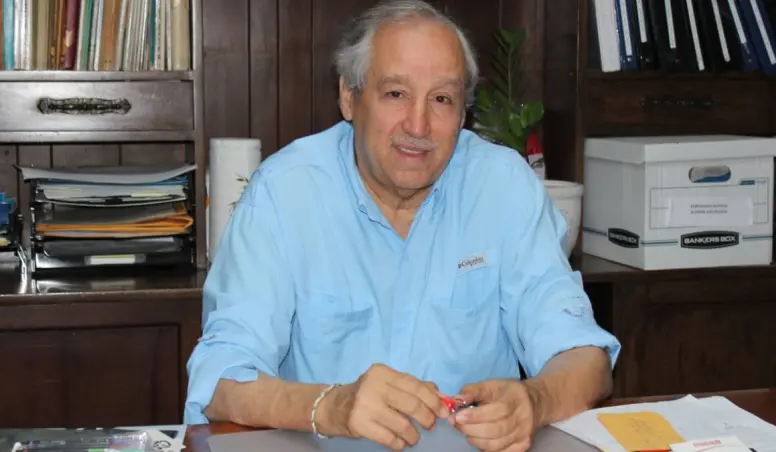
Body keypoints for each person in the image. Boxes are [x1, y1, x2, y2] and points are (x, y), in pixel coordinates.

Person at [184, 0, 621, 450]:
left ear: (462, 115)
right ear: (349, 97)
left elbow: (585, 357)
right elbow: (219, 377)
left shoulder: (503, 186)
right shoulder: (284, 192)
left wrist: (536, 400)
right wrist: (329, 406)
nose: (418, 125)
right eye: (396, 93)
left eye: (441, 99)